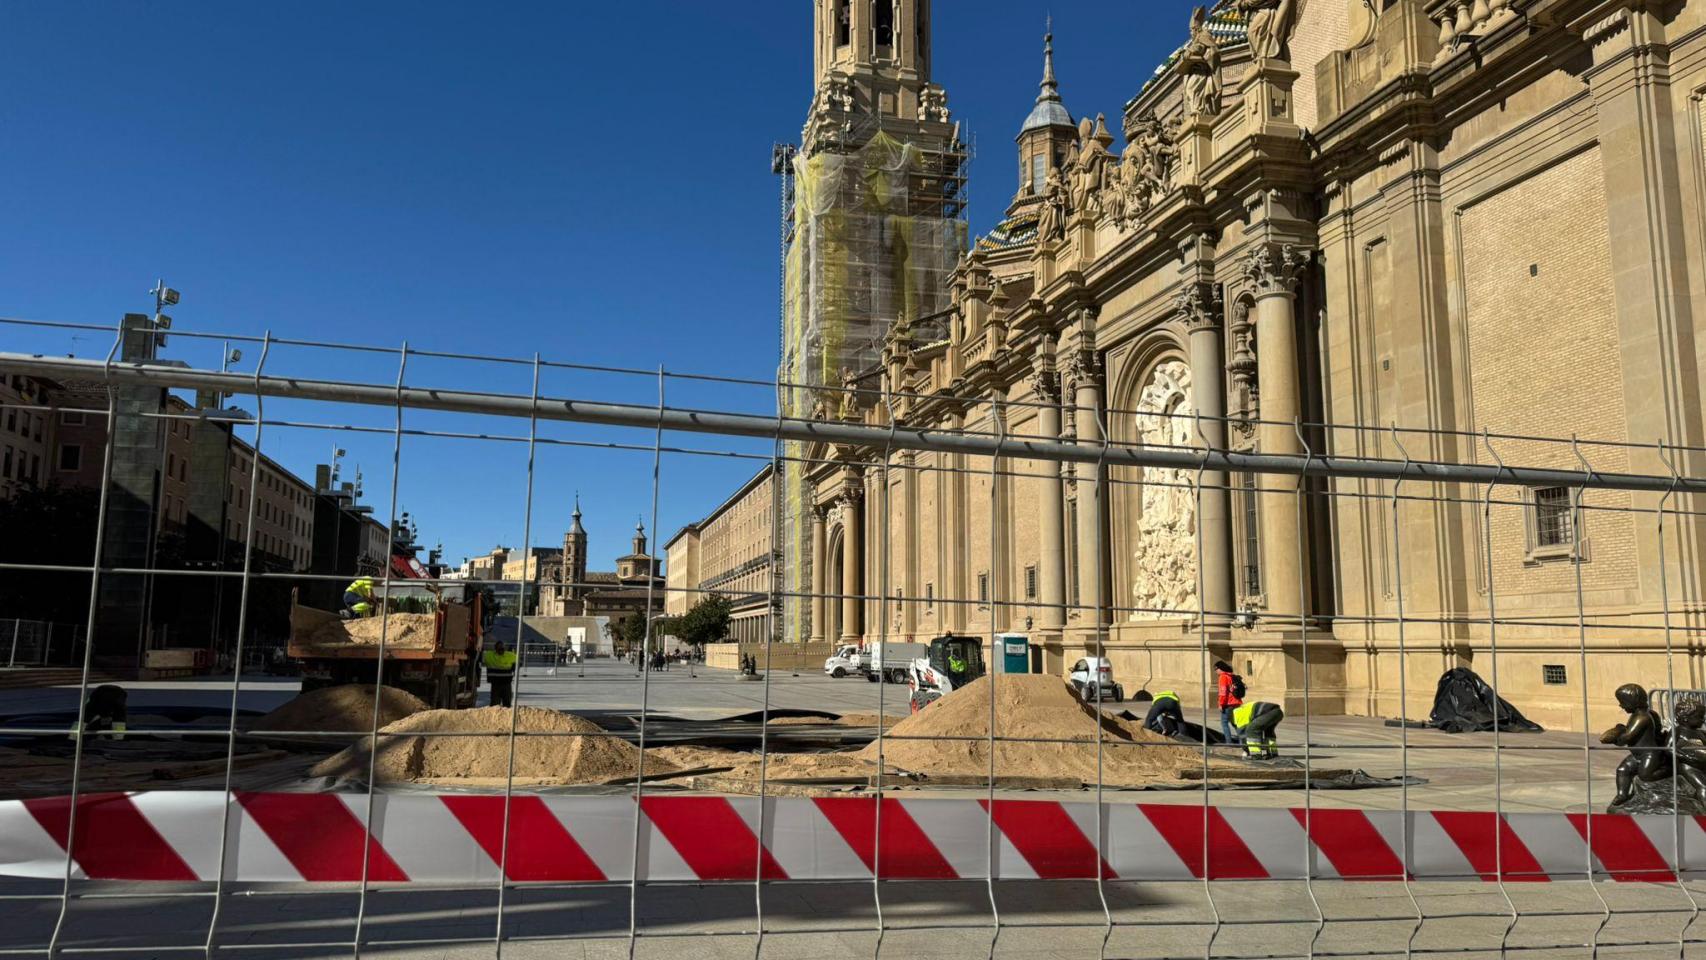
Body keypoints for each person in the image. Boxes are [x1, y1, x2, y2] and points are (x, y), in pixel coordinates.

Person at [483, 639, 517, 708]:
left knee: (496, 705)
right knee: (505, 705)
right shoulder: (510, 656)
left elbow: (482, 656)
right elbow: (519, 661)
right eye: (500, 649)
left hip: (498, 684)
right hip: (504, 684)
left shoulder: (489, 656)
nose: (501, 650)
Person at [1216, 661, 1243, 744]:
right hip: (1237, 702)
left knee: (1224, 723)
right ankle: (1242, 742)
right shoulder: (1231, 675)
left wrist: (1221, 704)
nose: (1216, 671)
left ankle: (1229, 743)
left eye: (1216, 669)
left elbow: (1223, 692)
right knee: (1235, 723)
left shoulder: (1223, 677)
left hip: (1228, 704)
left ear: (1220, 668)